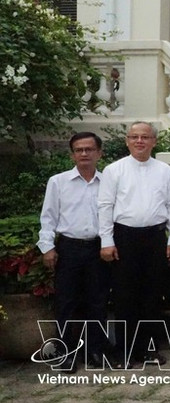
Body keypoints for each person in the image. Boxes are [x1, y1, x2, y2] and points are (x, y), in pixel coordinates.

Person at [98, 122, 170, 367]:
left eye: (145, 137)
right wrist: (106, 241)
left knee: (152, 296)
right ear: (127, 141)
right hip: (124, 239)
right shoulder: (115, 170)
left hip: (155, 239)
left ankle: (147, 349)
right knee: (125, 297)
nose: (139, 141)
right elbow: (104, 206)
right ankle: (124, 351)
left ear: (154, 142)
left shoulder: (164, 170)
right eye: (134, 137)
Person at [37, 132, 112, 372]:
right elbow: (48, 217)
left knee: (97, 302)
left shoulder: (108, 183)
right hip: (68, 248)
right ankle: (66, 353)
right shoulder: (58, 182)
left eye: (89, 149)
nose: (84, 154)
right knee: (66, 303)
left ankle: (95, 351)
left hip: (98, 249)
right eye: (79, 150)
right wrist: (47, 246)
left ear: (99, 153)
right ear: (72, 154)